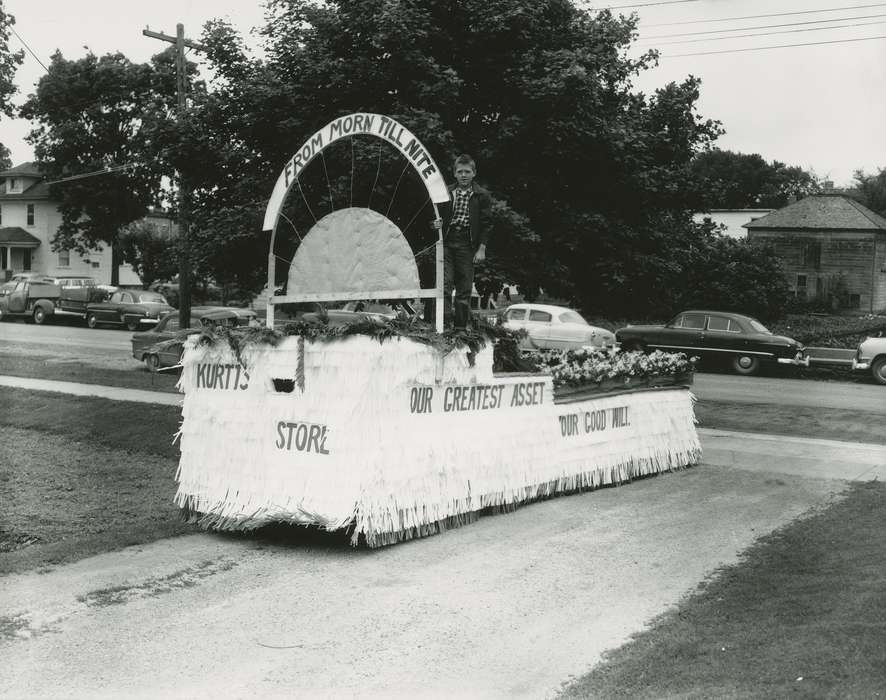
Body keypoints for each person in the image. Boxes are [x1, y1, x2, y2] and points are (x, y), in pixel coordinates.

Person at [431, 154, 492, 329]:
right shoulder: (446, 192)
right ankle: (441, 326)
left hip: (467, 244)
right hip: (448, 242)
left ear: (474, 173)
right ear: (454, 174)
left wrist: (481, 249)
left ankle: (459, 329)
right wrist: (435, 224)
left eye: (467, 171)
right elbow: (434, 217)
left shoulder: (482, 195)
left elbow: (487, 224)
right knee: (444, 284)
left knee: (464, 288)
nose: (463, 175)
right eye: (460, 172)